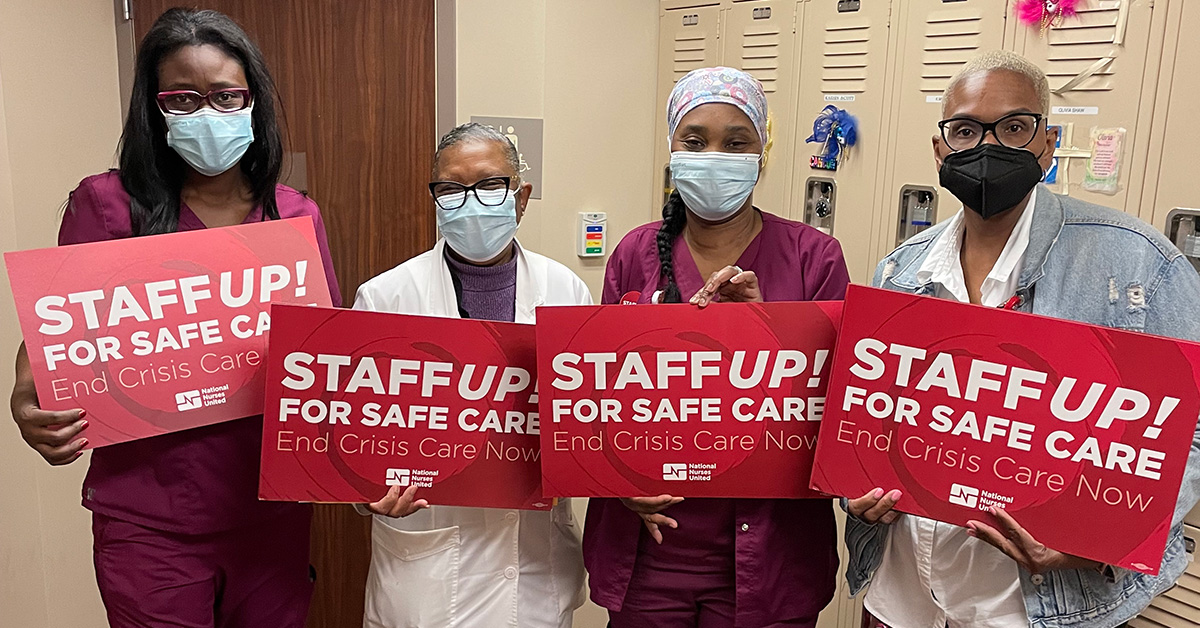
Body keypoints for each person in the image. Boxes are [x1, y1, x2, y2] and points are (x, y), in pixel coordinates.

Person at [6, 8, 341, 628]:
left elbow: (326, 358)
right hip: (150, 527)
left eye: (225, 95)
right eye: (182, 99)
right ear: (154, 110)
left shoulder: (295, 215)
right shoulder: (104, 206)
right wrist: (31, 409)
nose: (207, 113)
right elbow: (46, 355)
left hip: (273, 520)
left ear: (253, 100)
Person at [844, 50, 1200, 628]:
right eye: (965, 130)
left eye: (1014, 126)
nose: (989, 146)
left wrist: (1105, 537)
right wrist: (856, 484)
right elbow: (869, 417)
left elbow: (1193, 425)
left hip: (1029, 609)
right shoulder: (902, 270)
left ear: (1047, 142)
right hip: (901, 597)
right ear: (940, 150)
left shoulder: (1137, 264)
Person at [584, 67, 851, 628]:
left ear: (762, 152)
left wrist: (762, 329)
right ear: (672, 150)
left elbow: (837, 403)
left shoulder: (814, 258)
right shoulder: (634, 255)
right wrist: (618, 481)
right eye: (694, 140)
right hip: (651, 556)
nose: (714, 155)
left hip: (769, 556)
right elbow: (597, 398)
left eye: (736, 143)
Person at [351, 122, 589, 628]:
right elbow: (356, 437)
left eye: (489, 185)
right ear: (435, 200)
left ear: (520, 198)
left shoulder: (566, 291)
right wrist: (365, 491)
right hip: (427, 573)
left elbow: (588, 419)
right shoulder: (385, 299)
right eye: (452, 189)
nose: (471, 203)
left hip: (533, 568)